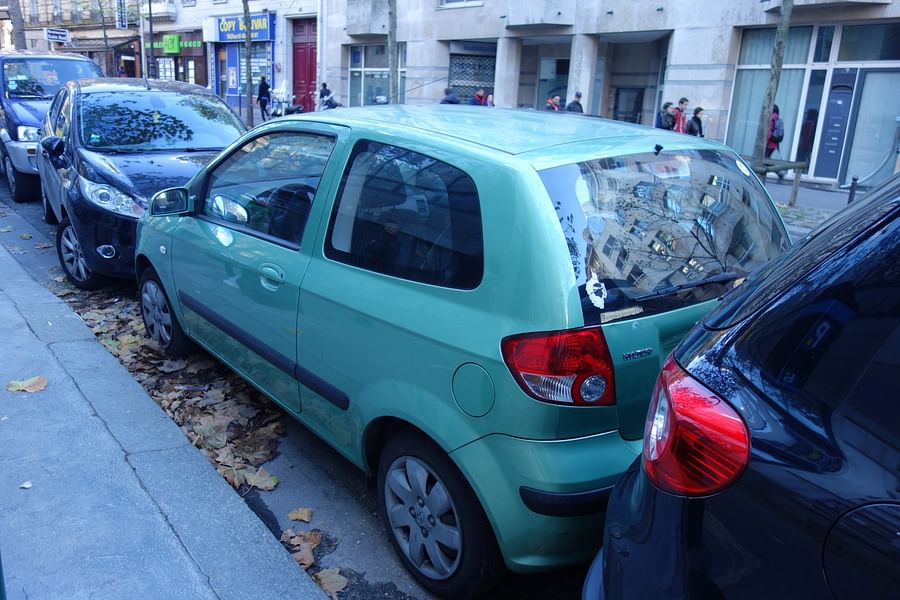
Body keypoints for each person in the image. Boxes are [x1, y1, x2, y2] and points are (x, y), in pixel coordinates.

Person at [767, 104, 786, 180]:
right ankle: (778, 172)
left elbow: (768, 133)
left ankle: (779, 172)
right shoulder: (778, 119)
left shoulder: (770, 118)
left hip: (768, 144)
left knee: (763, 160)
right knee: (765, 160)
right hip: (774, 144)